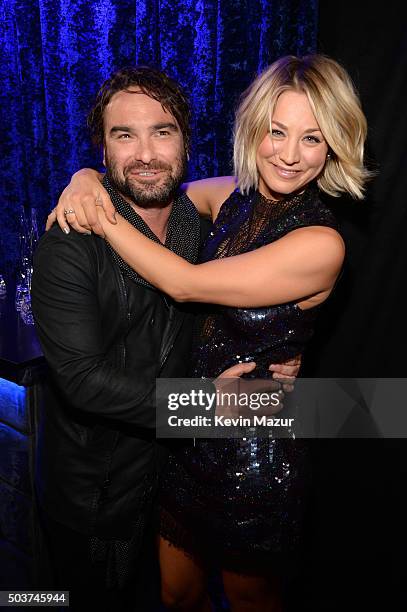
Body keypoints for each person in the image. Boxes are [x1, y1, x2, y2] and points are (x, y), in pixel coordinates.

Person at [51, 54, 370, 611]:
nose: (290, 155)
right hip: (187, 436)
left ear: (335, 145)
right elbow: (159, 189)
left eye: (313, 138)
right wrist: (86, 177)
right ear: (255, 129)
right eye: (276, 131)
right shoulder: (235, 194)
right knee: (177, 596)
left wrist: (97, 213)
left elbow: (184, 284)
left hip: (252, 448)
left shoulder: (322, 243)